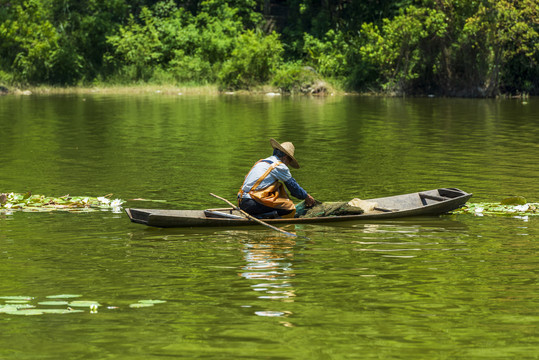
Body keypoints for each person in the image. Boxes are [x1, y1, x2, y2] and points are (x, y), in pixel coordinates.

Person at [238, 138, 316, 218]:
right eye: (289, 161)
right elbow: (294, 188)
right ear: (285, 157)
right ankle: (260, 217)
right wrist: (306, 197)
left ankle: (258, 214)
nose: (288, 165)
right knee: (290, 209)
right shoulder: (279, 166)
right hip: (253, 203)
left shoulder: (261, 162)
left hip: (241, 201)